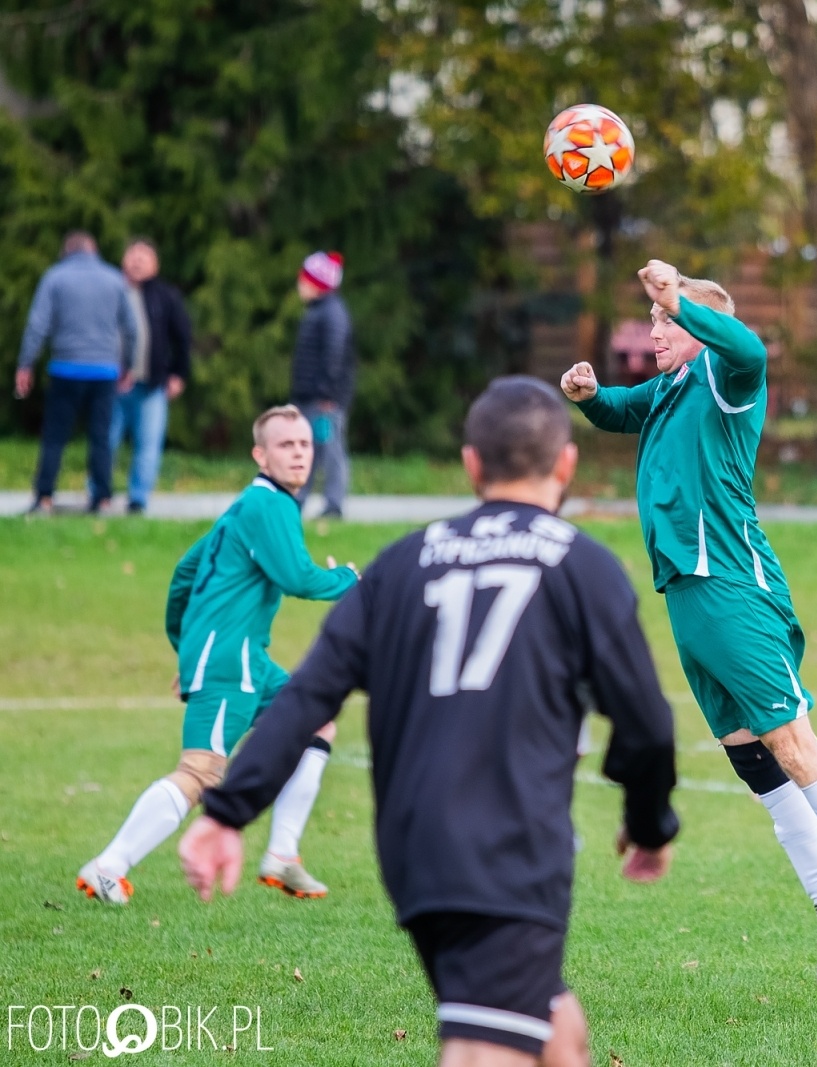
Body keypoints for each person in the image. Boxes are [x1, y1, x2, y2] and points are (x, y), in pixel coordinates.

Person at [179, 377, 680, 1067]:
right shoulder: (581, 564)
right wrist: (651, 824)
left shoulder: (401, 564)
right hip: (508, 847)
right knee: (484, 1048)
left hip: (415, 850)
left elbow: (308, 695)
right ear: (565, 465)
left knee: (554, 1029)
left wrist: (228, 810)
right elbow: (648, 724)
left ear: (472, 465)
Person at [560, 260, 817, 985]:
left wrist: (680, 300)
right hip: (686, 592)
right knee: (752, 756)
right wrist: (592, 398)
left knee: (792, 741)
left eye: (665, 322)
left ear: (699, 328)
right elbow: (627, 411)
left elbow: (750, 350)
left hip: (731, 586)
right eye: (654, 319)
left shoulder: (725, 374)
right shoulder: (673, 387)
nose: (655, 329)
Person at [77, 405, 358, 905]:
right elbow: (298, 577)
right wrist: (350, 580)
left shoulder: (246, 506)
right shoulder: (270, 506)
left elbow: (184, 575)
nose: (298, 454)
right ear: (260, 454)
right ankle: (107, 866)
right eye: (285, 445)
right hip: (233, 662)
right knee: (201, 772)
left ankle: (283, 856)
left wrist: (187, 652)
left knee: (318, 722)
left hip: (242, 658)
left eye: (304, 445)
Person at [14, 231, 139, 515]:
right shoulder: (114, 279)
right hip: (105, 371)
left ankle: (44, 497)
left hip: (65, 369)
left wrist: (25, 365)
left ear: (66, 252)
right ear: (93, 250)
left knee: (55, 436)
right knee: (101, 437)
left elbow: (37, 325)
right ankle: (103, 498)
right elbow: (131, 329)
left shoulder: (55, 277)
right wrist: (127, 366)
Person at [111, 238, 192, 515]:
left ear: (155, 265)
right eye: (133, 255)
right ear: (123, 259)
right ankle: (99, 493)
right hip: (112, 382)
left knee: (148, 444)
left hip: (151, 384)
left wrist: (178, 374)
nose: (137, 261)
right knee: (106, 440)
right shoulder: (112, 289)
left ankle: (138, 499)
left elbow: (182, 337)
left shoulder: (164, 296)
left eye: (144, 257)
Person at [289, 250, 356, 519]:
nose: (300, 286)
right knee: (306, 450)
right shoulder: (317, 312)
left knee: (330, 449)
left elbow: (334, 356)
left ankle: (334, 504)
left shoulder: (332, 314)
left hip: (324, 400)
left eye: (304, 280)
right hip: (309, 396)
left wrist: (327, 394)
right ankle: (299, 500)